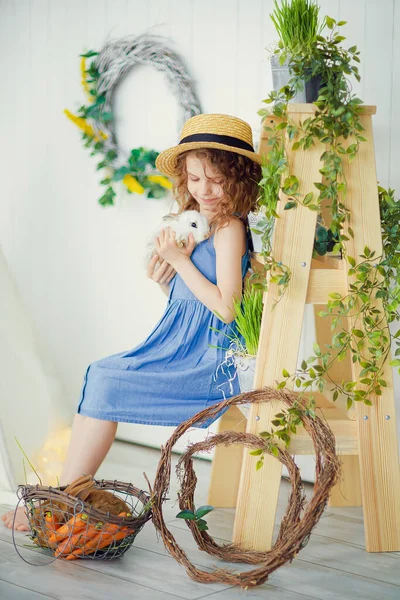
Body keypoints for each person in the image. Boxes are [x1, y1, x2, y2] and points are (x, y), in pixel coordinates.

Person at [2, 113, 262, 530]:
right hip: (179, 344)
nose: (204, 190)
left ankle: (58, 506)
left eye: (214, 179)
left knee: (105, 378)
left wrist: (180, 261)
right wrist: (167, 282)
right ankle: (67, 497)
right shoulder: (197, 220)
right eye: (195, 179)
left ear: (239, 177)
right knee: (100, 373)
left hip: (207, 361)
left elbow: (227, 309)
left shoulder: (229, 227)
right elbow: (192, 302)